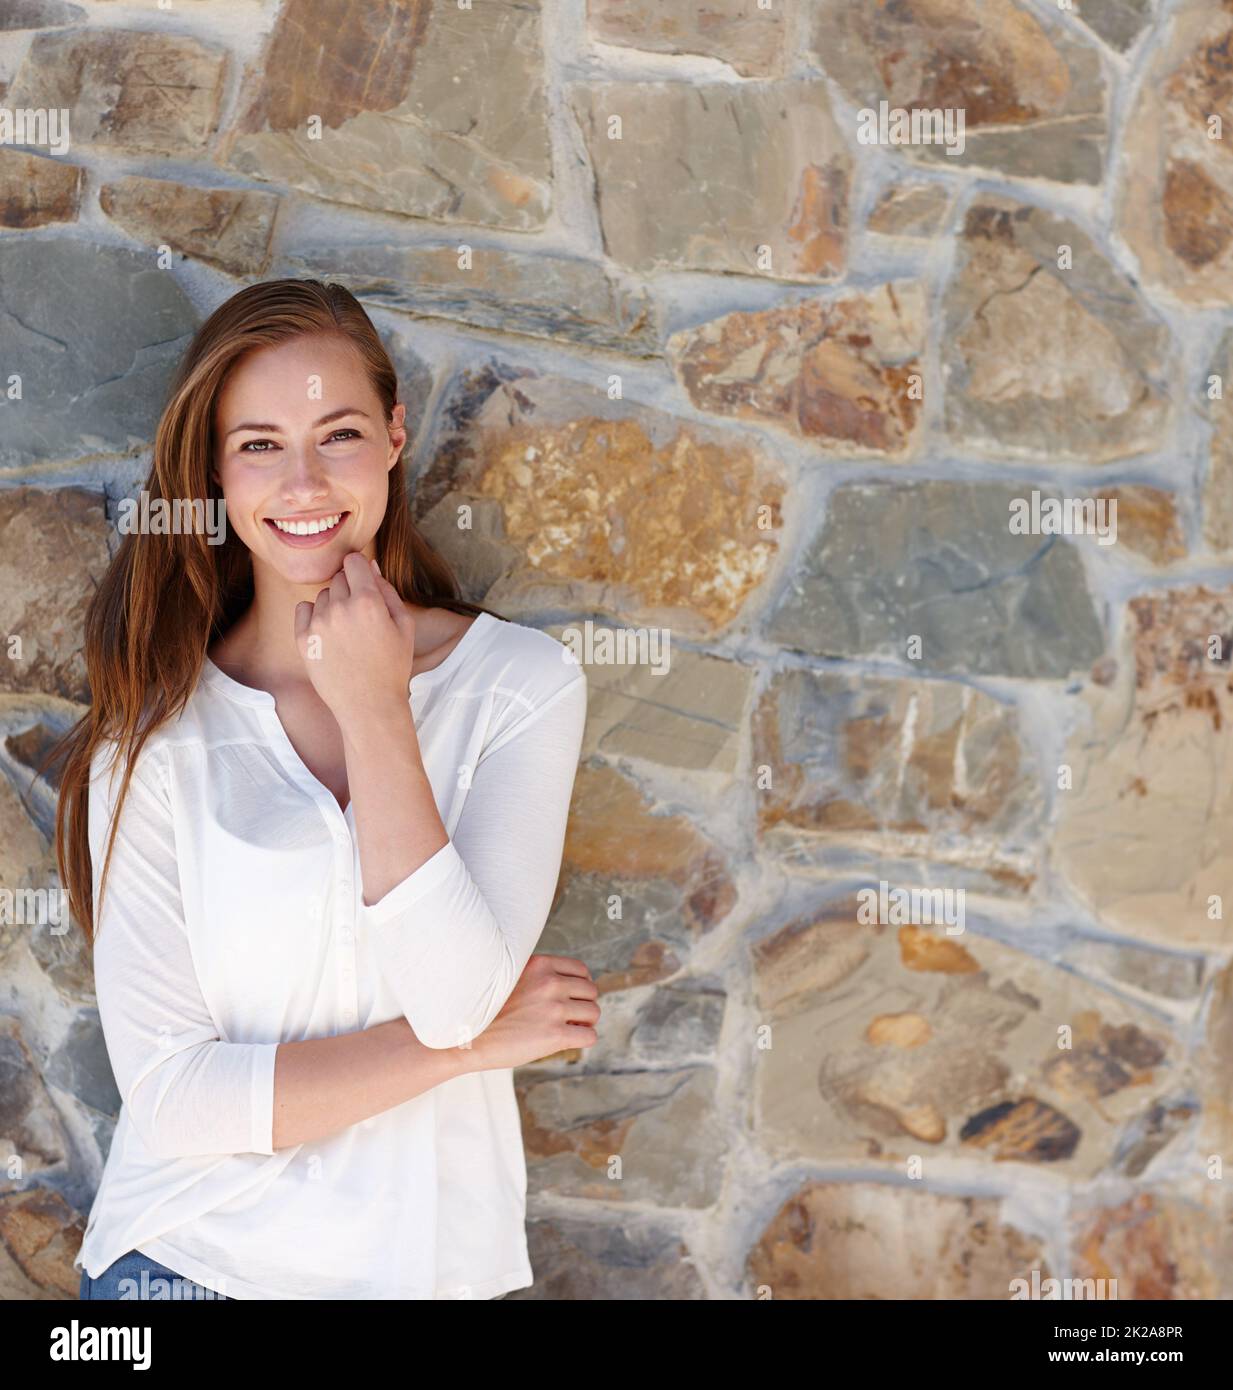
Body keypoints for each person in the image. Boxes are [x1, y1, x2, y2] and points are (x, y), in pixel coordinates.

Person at [53, 278, 598, 1300]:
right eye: (259, 444)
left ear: (395, 434)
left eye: (337, 433)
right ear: (215, 472)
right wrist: (461, 1052)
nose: (302, 482)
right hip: (187, 1268)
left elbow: (455, 994)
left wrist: (377, 709)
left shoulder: (519, 686)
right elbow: (174, 1099)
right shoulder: (156, 736)